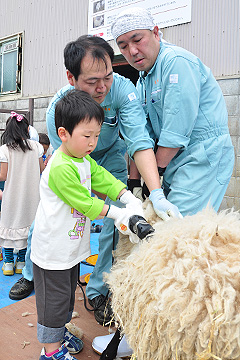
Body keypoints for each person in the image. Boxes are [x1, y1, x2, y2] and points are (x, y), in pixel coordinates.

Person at [9, 35, 182, 322]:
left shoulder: (122, 91)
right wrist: (106, 205)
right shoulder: (58, 110)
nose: (102, 87)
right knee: (52, 215)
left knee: (115, 227)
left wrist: (152, 193)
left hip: (109, 153)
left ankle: (98, 289)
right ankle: (32, 271)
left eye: (108, 77)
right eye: (92, 81)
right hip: (74, 159)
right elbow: (72, 168)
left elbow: (138, 141)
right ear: (71, 77)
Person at [31, 89, 144, 360]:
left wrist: (125, 194)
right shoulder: (60, 166)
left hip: (68, 247)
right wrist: (118, 214)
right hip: (52, 252)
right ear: (63, 134)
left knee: (66, 295)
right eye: (87, 136)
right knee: (54, 302)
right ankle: (50, 351)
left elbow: (101, 176)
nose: (93, 142)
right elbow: (86, 204)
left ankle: (58, 333)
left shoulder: (81, 158)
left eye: (96, 135)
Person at [111, 6, 234, 217]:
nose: (132, 51)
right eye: (123, 46)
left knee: (178, 227)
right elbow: (141, 135)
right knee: (167, 223)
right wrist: (134, 182)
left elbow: (176, 131)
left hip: (201, 156)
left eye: (137, 39)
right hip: (172, 160)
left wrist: (154, 176)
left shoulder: (176, 62)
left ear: (156, 33)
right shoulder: (144, 78)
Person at [0, 112, 44, 276]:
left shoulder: (4, 150)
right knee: (28, 227)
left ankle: (9, 264)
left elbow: (3, 176)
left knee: (9, 226)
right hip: (32, 195)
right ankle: (22, 263)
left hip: (12, 196)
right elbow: (41, 170)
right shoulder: (36, 147)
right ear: (27, 129)